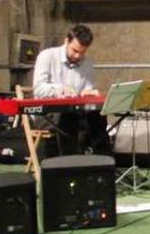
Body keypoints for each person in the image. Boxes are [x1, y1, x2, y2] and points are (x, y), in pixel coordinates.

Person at [33, 24, 110, 156]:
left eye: (82, 52)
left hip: (77, 111)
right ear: (66, 41)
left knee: (99, 115)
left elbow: (87, 89)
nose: (77, 56)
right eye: (74, 50)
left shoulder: (87, 63)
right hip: (48, 113)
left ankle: (104, 164)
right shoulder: (47, 56)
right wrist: (60, 89)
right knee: (68, 117)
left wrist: (90, 93)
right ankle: (69, 168)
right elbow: (38, 89)